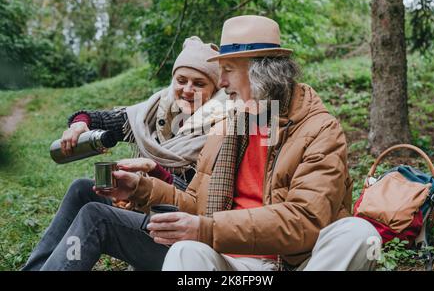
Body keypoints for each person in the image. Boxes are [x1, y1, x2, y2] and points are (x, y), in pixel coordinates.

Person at [32, 16, 381, 271]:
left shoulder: (319, 130)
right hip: (233, 264)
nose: (222, 82)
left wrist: (207, 228)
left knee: (358, 232)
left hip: (293, 263)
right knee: (187, 252)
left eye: (228, 71)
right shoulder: (231, 127)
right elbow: (196, 203)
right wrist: (142, 188)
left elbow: (304, 221)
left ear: (263, 72)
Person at [22, 36, 227, 271]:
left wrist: (150, 176)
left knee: (95, 215)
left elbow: (199, 203)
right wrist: (80, 124)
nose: (187, 90)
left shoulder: (220, 129)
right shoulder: (157, 112)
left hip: (182, 239)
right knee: (81, 189)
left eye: (199, 84)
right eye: (181, 80)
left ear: (215, 89)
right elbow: (101, 119)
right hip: (147, 211)